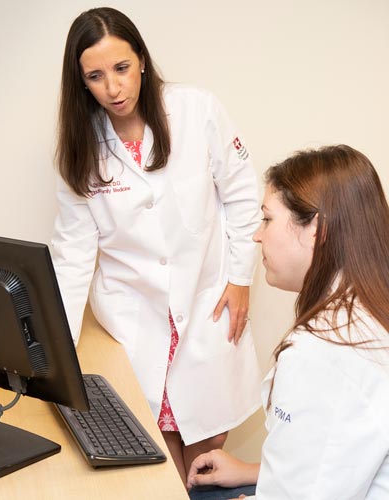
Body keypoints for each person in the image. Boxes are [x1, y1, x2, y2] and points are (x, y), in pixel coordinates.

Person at [51, 7, 261, 482]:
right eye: (96, 76)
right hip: (136, 323)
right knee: (159, 476)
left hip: (206, 307)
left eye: (122, 68)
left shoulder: (196, 109)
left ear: (142, 60)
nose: (114, 88)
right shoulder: (81, 147)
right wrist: (54, 352)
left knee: (204, 469)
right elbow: (72, 256)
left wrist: (241, 278)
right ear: (81, 82)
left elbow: (243, 194)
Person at [187, 144, 389, 499]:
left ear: (316, 229)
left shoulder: (322, 352)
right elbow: (335, 457)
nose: (257, 234)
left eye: (267, 219)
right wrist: (250, 472)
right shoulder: (368, 305)